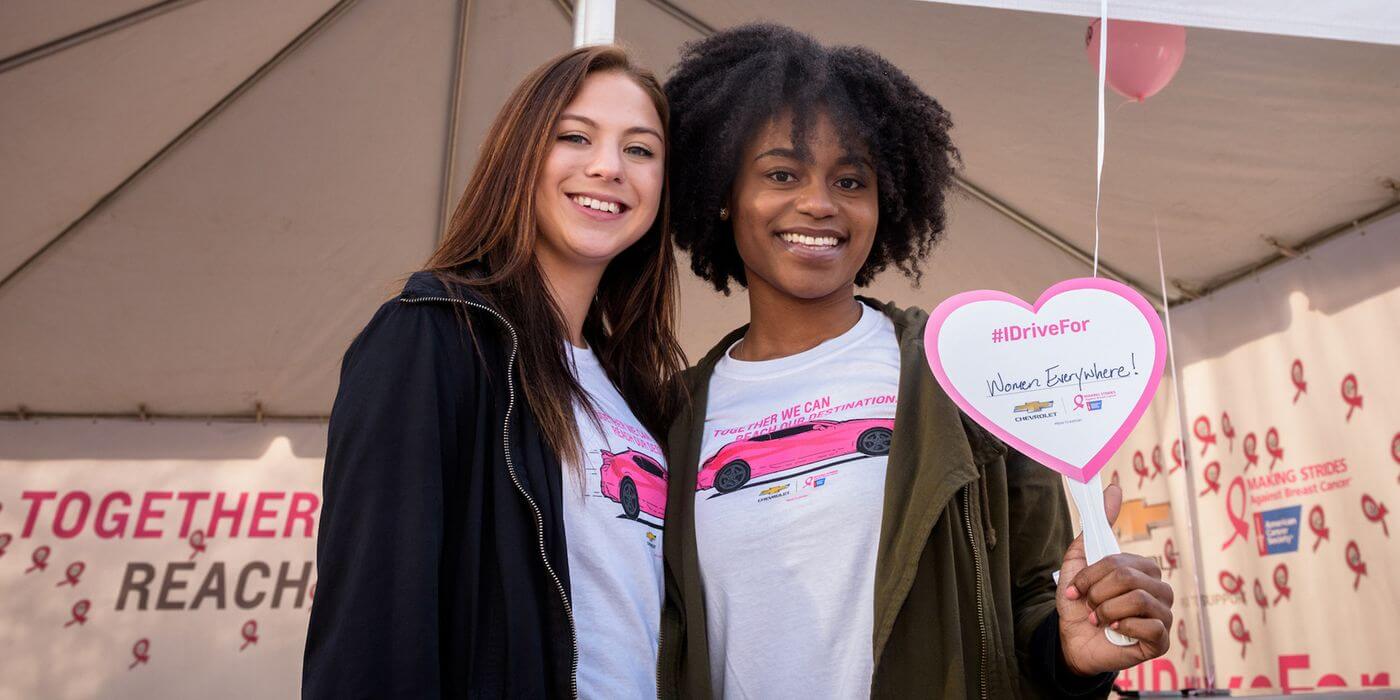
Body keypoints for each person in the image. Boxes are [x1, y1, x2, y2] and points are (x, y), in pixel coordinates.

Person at [657, 24, 1173, 698]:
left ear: (887, 201)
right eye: (782, 173)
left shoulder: (970, 376)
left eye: (851, 180)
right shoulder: (663, 418)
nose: (818, 203)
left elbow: (1032, 603)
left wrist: (1074, 653)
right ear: (722, 194)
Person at [303, 45, 685, 698]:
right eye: (574, 137)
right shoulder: (431, 336)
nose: (608, 167)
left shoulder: (638, 392)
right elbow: (374, 617)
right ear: (520, 157)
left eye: (641, 149)